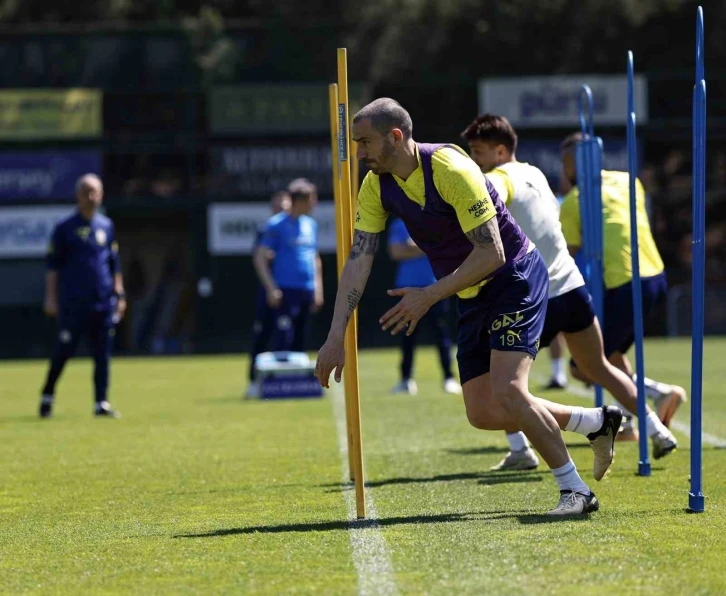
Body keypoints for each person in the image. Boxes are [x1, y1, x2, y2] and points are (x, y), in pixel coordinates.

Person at [315, 98, 623, 516]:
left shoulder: (451, 170)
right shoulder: (375, 185)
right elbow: (358, 261)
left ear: (396, 136)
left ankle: (575, 491)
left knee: (510, 390)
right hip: (469, 291)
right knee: (482, 412)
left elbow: (492, 253)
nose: (360, 153)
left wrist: (429, 294)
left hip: (513, 277)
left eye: (365, 142)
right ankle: (594, 422)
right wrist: (335, 337)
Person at [461, 114, 677, 471]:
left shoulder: (495, 178)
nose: (474, 160)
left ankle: (522, 450)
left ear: (500, 150)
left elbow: (480, 205)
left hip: (535, 296)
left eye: (478, 151)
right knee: (600, 367)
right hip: (572, 287)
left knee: (496, 380)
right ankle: (656, 430)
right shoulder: (536, 174)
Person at [559, 132, 687, 440]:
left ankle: (660, 393)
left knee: (583, 364)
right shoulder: (629, 181)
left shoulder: (575, 202)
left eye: (566, 163)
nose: (565, 171)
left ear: (575, 164)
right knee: (611, 354)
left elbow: (568, 255)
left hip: (624, 282)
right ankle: (628, 423)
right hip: (656, 275)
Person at [40, 174, 126, 418]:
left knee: (103, 355)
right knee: (64, 350)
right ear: (78, 195)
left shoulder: (106, 226)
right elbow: (53, 267)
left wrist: (119, 294)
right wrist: (51, 297)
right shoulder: (64, 228)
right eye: (87, 192)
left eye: (96, 191)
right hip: (74, 303)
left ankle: (101, 402)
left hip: (103, 302)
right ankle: (47, 394)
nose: (92, 197)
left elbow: (114, 264)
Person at [246, 179, 323, 398]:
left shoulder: (311, 225)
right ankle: (265, 384)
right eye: (312, 198)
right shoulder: (275, 225)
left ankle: (296, 385)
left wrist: (318, 289)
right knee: (279, 336)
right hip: (284, 290)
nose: (315, 203)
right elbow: (260, 258)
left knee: (300, 336)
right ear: (302, 200)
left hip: (305, 290)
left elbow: (315, 258)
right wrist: (271, 288)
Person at [387, 217, 461, 396]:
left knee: (441, 335)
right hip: (407, 287)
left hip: (434, 288)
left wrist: (412, 246)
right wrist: (427, 245)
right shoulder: (399, 224)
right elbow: (396, 252)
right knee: (407, 337)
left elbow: (444, 248)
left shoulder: (435, 220)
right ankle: (406, 380)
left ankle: (449, 378)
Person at [245, 190, 291, 394]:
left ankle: (285, 381)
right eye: (278, 207)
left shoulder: (297, 228)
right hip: (269, 290)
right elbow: (260, 256)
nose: (281, 211)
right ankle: (254, 381)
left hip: (289, 289)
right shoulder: (267, 229)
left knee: (286, 335)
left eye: (285, 206)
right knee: (262, 334)